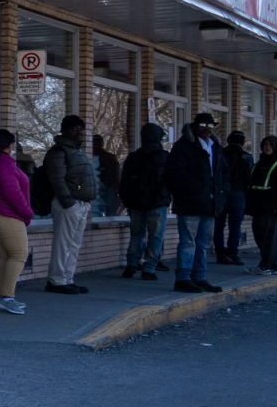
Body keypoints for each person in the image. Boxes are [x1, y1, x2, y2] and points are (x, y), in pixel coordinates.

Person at [164, 112, 227, 293]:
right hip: (190, 202)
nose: (206, 129)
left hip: (210, 203)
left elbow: (222, 173)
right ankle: (183, 278)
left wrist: (221, 193)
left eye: (210, 126)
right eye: (202, 125)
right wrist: (195, 190)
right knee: (188, 241)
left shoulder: (215, 147)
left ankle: (200, 277)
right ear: (194, 126)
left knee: (204, 243)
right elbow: (175, 174)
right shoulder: (183, 146)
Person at [41, 115, 98, 294]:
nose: (80, 132)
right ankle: (57, 280)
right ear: (65, 130)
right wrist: (68, 202)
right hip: (68, 204)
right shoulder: (59, 151)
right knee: (63, 243)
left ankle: (67, 277)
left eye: (81, 128)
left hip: (81, 204)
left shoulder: (76, 151)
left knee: (74, 244)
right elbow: (57, 179)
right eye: (75, 129)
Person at [0, 129, 32, 315]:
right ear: (8, 145)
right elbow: (13, 193)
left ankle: (3, 296)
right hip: (7, 214)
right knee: (19, 255)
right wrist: (27, 212)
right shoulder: (4, 164)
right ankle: (8, 297)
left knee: (4, 255)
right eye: (12, 143)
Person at [118, 123, 171, 281]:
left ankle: (132, 264)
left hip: (136, 203)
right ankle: (149, 267)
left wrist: (127, 200)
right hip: (157, 203)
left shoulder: (133, 157)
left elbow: (125, 183)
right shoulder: (163, 157)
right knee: (156, 236)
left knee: (137, 235)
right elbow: (170, 180)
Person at [247, 135, 277, 275]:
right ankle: (272, 265)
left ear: (276, 147)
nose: (267, 147)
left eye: (270, 145)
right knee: (261, 236)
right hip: (257, 208)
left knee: (268, 238)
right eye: (265, 144)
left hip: (270, 208)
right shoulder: (259, 164)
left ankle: (266, 265)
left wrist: (269, 202)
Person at [218, 130, 254, 266]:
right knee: (235, 226)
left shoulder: (220, 154)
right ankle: (233, 253)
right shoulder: (247, 157)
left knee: (219, 225)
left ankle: (220, 254)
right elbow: (250, 178)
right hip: (238, 194)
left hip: (221, 193)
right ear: (243, 143)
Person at [92, 134, 122, 217]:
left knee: (110, 213)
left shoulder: (109, 158)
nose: (96, 146)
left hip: (108, 188)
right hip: (96, 191)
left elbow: (115, 177)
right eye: (94, 143)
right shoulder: (85, 158)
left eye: (98, 143)